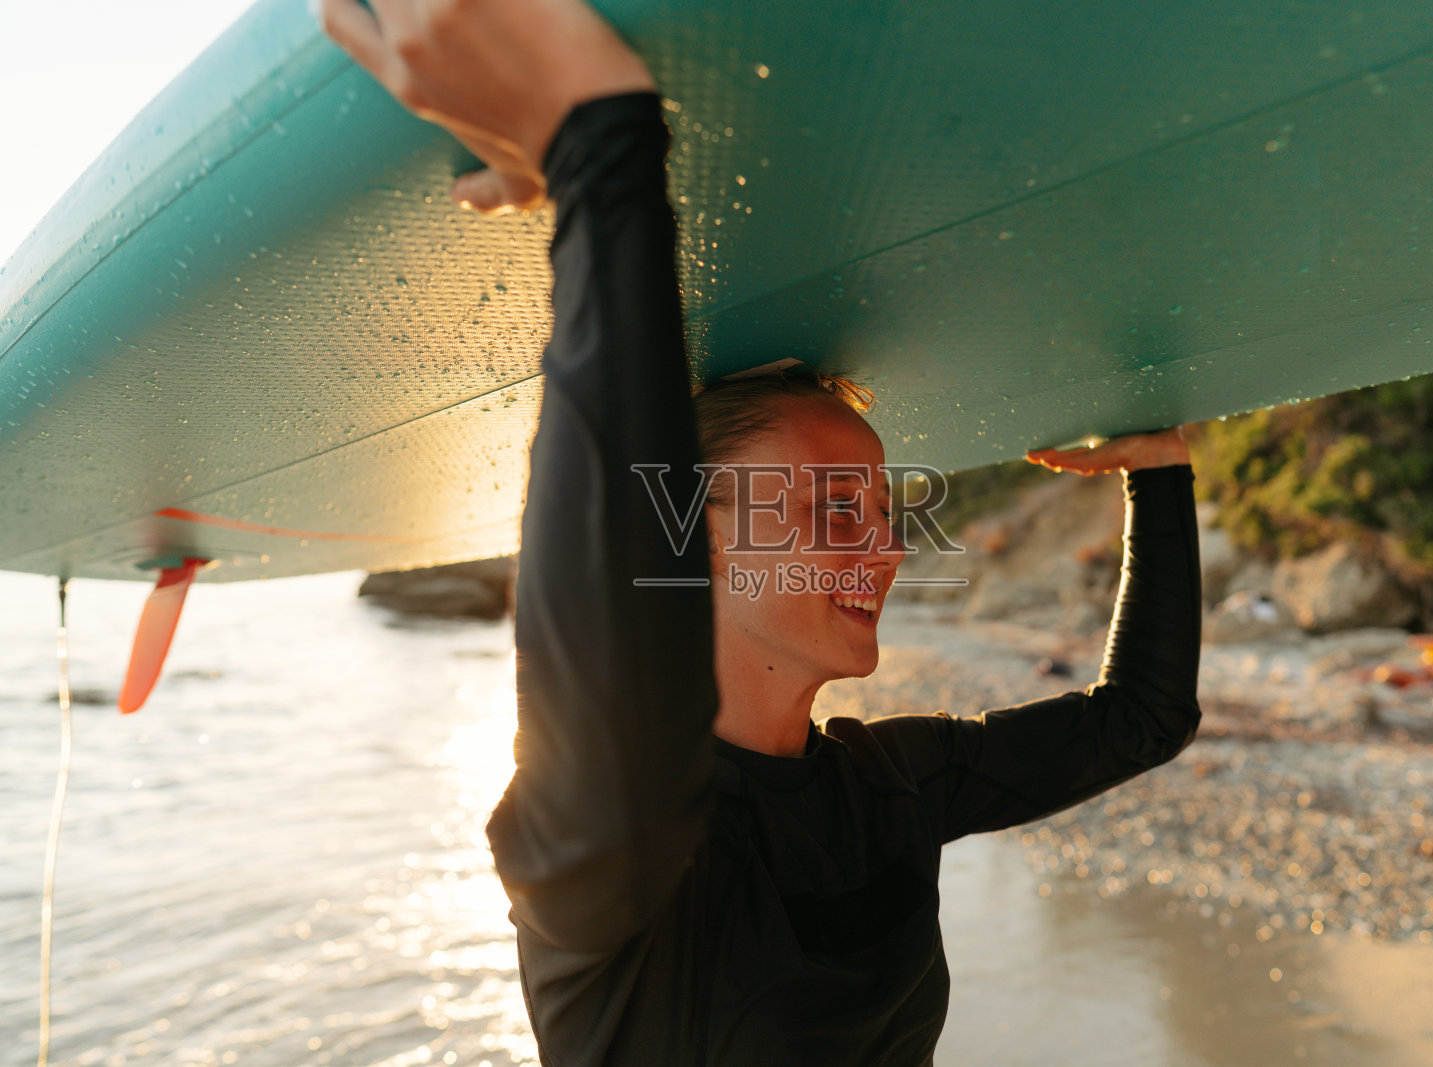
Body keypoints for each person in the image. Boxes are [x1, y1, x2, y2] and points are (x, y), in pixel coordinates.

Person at [321, 2, 1201, 1063]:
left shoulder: (890, 785)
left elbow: (1141, 718)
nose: (885, 549)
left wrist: (1158, 478)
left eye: (881, 514)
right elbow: (603, 621)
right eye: (834, 509)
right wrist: (598, 154)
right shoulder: (610, 837)